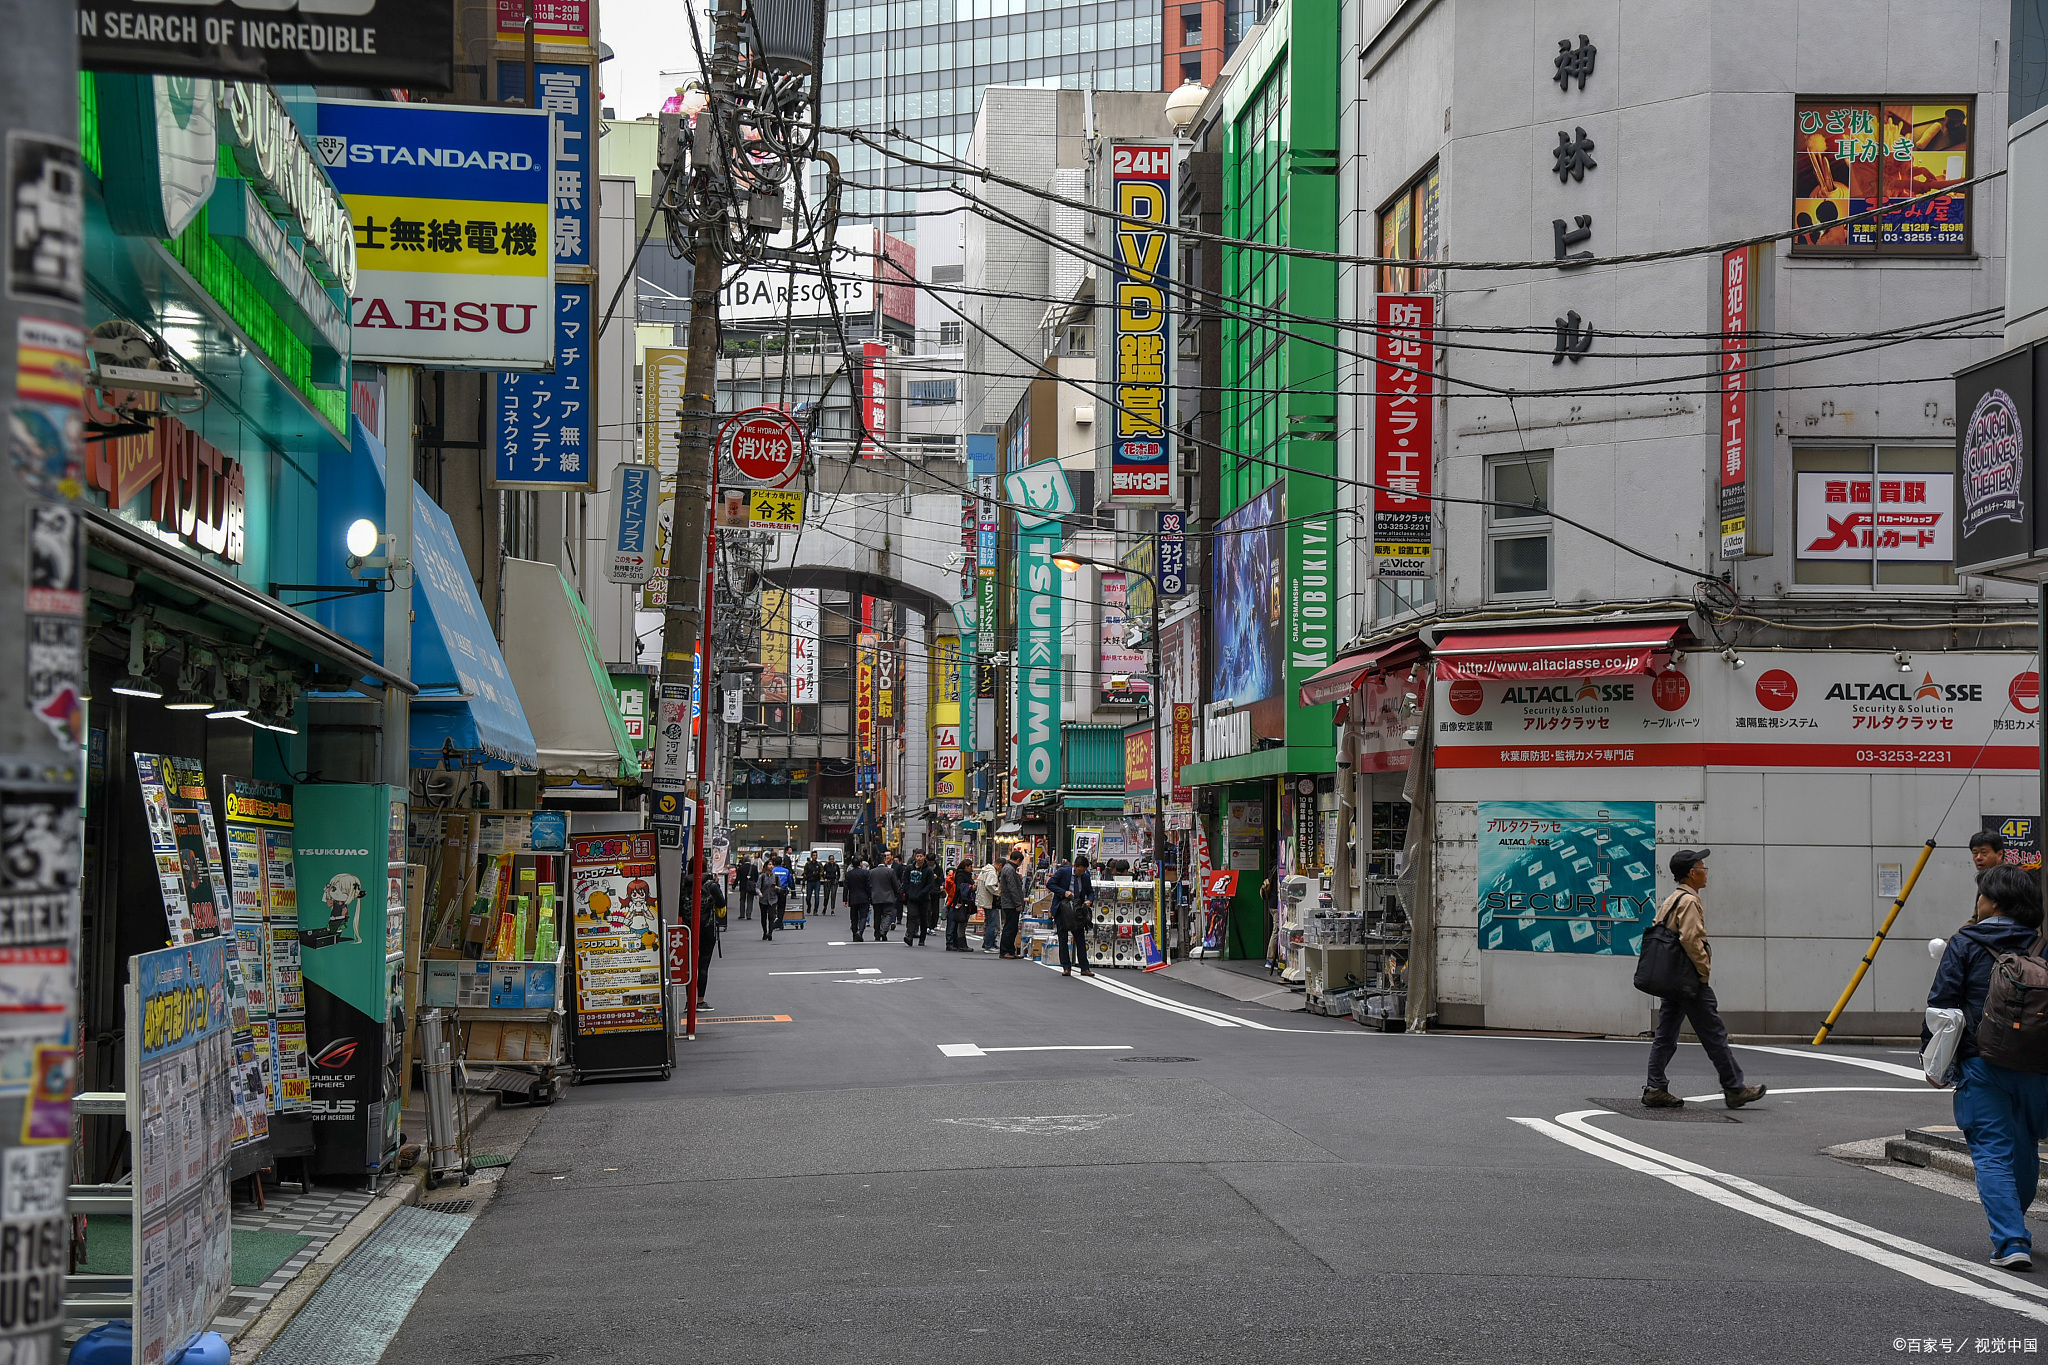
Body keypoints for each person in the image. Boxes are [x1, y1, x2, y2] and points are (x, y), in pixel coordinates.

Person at [1926, 863, 2048, 1271]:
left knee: (1993, 1152)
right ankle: (2014, 1219)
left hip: (1983, 1062)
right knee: (2026, 1142)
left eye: (1980, 896)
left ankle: (2011, 1238)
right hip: (2039, 1066)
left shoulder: (1965, 942)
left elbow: (1942, 1007)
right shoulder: (2041, 943)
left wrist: (1933, 1061)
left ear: (1993, 901)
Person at [1642, 850, 1768, 1111]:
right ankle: (1734, 1089)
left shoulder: (1671, 899)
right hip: (1689, 980)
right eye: (1702, 867)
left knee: (1665, 1035)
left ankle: (1655, 1087)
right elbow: (1690, 939)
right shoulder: (1690, 901)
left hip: (1671, 979)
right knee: (1714, 1034)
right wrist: (1703, 971)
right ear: (1692, 873)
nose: (1705, 871)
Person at [1052, 853, 1096, 977]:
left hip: (1078, 910)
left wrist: (1090, 900)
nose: (1081, 873)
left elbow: (1090, 892)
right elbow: (1050, 884)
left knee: (1080, 938)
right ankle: (1066, 967)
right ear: (1075, 866)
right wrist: (1063, 892)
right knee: (1063, 938)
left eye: (1084, 871)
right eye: (1080, 871)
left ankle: (1084, 967)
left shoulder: (1085, 876)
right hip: (1063, 909)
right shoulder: (1063, 872)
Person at [689, 870, 726, 1012]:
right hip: (706, 929)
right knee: (703, 966)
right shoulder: (711, 886)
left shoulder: (685, 884)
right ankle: (700, 1000)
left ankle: (688, 1001)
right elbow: (722, 907)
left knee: (689, 967)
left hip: (686, 930)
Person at [901, 850, 938, 947]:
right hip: (911, 897)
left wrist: (922, 893)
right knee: (912, 916)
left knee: (923, 918)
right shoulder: (909, 868)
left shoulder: (928, 870)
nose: (919, 858)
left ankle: (922, 938)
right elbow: (905, 881)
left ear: (924, 857)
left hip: (923, 898)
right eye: (917, 856)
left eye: (921, 856)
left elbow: (930, 884)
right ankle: (909, 936)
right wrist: (908, 892)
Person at [998, 847, 1027, 959]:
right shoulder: (1009, 870)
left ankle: (1010, 950)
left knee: (1012, 927)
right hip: (1010, 904)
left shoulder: (1008, 869)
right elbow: (1012, 888)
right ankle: (1005, 951)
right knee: (1010, 928)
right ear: (1018, 860)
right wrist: (1017, 903)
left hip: (1009, 903)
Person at [870, 852, 904, 941]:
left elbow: (869, 885)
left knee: (877, 915)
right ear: (885, 861)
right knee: (887, 914)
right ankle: (883, 931)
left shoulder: (872, 872)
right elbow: (896, 885)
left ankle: (877, 933)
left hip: (876, 897)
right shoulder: (890, 871)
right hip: (888, 897)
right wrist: (898, 894)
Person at [945, 856, 976, 951]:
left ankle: (956, 943)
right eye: (970, 866)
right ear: (966, 866)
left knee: (957, 923)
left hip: (961, 902)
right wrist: (971, 887)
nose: (972, 868)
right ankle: (952, 944)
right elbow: (960, 888)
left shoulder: (964, 875)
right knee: (955, 923)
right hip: (958, 902)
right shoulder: (961, 875)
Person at [760, 861, 793, 939]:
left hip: (772, 892)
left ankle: (771, 927)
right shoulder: (786, 870)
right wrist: (791, 887)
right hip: (781, 890)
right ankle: (779, 921)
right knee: (781, 908)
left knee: (771, 910)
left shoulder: (774, 871)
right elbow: (790, 881)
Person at [977, 857, 1002, 954]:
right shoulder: (991, 872)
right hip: (989, 901)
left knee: (989, 923)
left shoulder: (985, 870)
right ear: (999, 865)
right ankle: (989, 945)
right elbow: (989, 885)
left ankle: (988, 943)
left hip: (985, 900)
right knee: (993, 924)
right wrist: (998, 891)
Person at [844, 859, 874, 940]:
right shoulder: (865, 873)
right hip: (864, 897)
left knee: (854, 917)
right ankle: (860, 932)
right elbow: (868, 886)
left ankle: (854, 933)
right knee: (863, 916)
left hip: (853, 897)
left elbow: (846, 887)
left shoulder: (849, 874)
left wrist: (845, 899)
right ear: (860, 864)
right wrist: (870, 896)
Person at [734, 855, 758, 921]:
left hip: (743, 886)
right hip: (751, 887)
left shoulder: (741, 868)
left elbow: (737, 878)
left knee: (742, 900)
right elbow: (757, 878)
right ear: (750, 860)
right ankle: (748, 915)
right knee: (750, 900)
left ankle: (742, 914)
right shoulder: (754, 868)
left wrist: (734, 886)